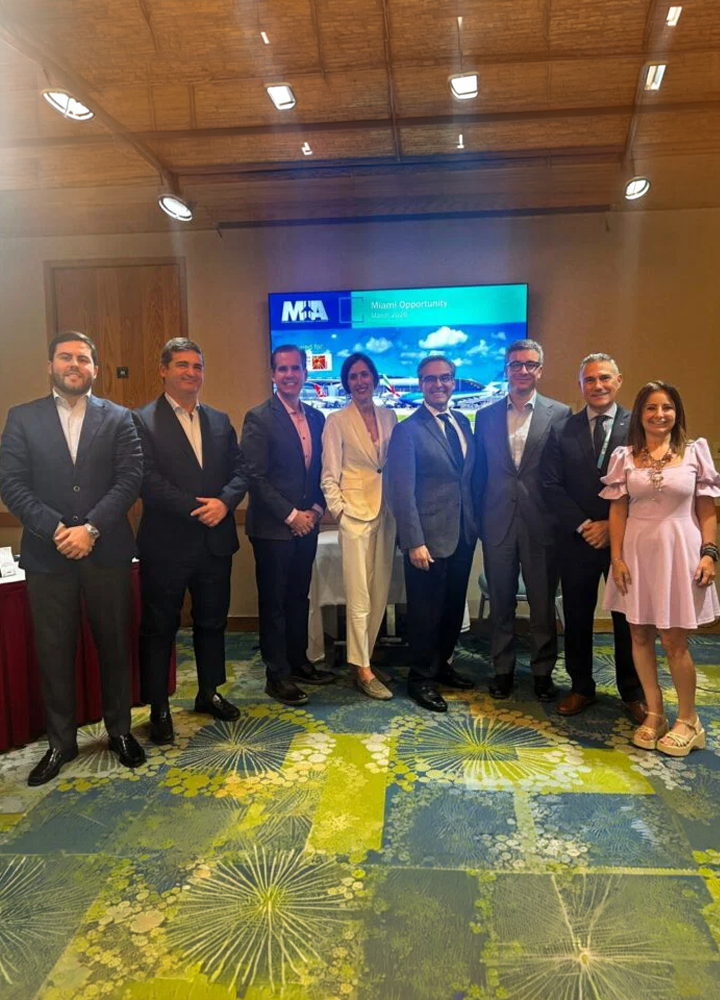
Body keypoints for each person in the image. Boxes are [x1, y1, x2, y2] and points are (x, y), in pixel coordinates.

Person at [0, 331, 146, 785]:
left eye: (83, 358)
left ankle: (119, 731)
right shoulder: (22, 419)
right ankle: (61, 743)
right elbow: (11, 483)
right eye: (66, 357)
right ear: (50, 366)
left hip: (107, 552)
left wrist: (91, 529)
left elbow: (130, 478)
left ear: (95, 369)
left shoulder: (120, 418)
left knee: (114, 645)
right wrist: (59, 530)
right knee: (54, 650)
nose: (74, 365)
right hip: (49, 556)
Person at [133, 338, 247, 745]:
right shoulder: (141, 420)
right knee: (159, 626)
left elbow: (241, 470)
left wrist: (225, 502)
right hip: (166, 544)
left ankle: (208, 691)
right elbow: (146, 479)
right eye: (182, 365)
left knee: (212, 622)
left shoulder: (219, 420)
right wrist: (199, 508)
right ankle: (159, 707)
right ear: (163, 370)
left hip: (215, 541)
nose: (191, 373)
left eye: (197, 366)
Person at [602, 380, 719, 757]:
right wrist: (616, 557)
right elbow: (618, 509)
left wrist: (709, 553)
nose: (659, 414)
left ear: (676, 412)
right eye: (651, 408)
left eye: (666, 407)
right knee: (638, 634)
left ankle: (689, 720)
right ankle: (655, 713)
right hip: (636, 553)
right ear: (640, 414)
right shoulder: (625, 455)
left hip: (679, 551)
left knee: (673, 640)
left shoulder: (694, 452)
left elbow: (706, 508)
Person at [542, 353, 645, 722]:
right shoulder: (562, 429)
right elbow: (550, 485)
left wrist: (609, 525)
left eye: (604, 378)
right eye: (589, 380)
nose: (597, 386)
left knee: (626, 617)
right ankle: (581, 686)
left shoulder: (640, 426)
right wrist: (587, 525)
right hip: (577, 539)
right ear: (580, 386)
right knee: (577, 615)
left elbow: (646, 486)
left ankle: (632, 690)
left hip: (625, 540)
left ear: (618, 381)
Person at [474, 338, 571, 701]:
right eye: (516, 364)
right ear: (506, 370)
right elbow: (478, 475)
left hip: (541, 525)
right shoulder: (484, 417)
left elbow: (562, 473)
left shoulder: (559, 414)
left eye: (530, 364)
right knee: (501, 602)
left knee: (543, 603)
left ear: (540, 370)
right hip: (497, 523)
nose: (523, 371)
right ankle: (503, 670)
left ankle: (543, 673)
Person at [241, 344, 334, 706]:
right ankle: (276, 675)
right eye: (283, 369)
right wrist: (291, 515)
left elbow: (321, 471)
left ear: (305, 374)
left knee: (299, 598)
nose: (290, 375)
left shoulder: (316, 417)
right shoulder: (259, 417)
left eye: (296, 369)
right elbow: (254, 475)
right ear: (272, 375)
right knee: (275, 604)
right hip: (273, 529)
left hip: (306, 525)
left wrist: (312, 509)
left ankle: (298, 663)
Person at [387, 355, 477, 712]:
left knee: (453, 609)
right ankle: (420, 679)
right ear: (420, 383)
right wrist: (413, 541)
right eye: (430, 379)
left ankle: (442, 666)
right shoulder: (407, 431)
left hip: (463, 534)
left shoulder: (462, 424)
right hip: (427, 539)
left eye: (445, 378)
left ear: (453, 381)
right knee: (425, 613)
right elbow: (401, 491)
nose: (438, 385)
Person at [321, 353, 397, 700]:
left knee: (380, 590)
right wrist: (340, 512)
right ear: (346, 382)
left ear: (375, 378)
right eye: (353, 376)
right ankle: (363, 669)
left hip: (387, 514)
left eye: (365, 375)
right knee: (358, 594)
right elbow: (328, 475)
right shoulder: (336, 420)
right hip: (355, 515)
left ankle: (363, 657)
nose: (360, 381)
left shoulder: (390, 416)